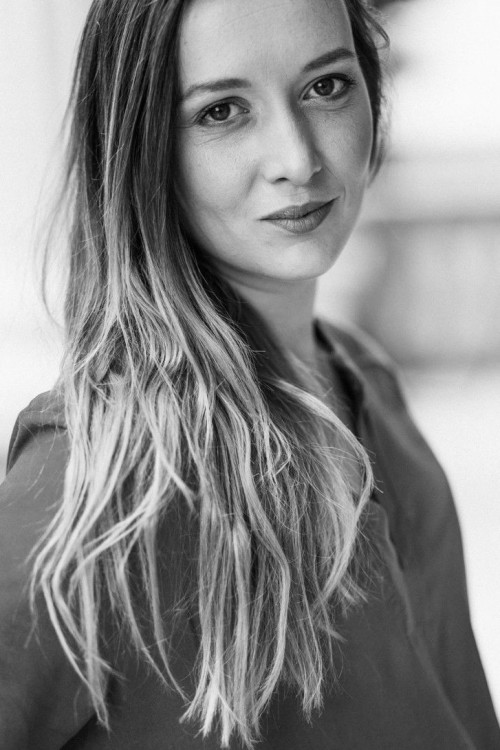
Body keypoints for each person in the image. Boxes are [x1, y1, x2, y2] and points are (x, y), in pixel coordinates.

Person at [0, 0, 499, 747]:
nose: (298, 158)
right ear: (141, 147)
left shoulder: (368, 383)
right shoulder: (103, 473)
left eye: (326, 87)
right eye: (222, 111)